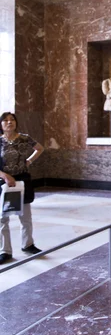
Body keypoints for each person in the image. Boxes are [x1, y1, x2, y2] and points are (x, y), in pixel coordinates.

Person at [0, 112, 44, 264]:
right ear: (1, 124)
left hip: (21, 181)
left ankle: (28, 245)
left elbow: (40, 148)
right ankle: (5, 251)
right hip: (4, 183)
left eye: (12, 120)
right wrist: (5, 176)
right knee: (2, 218)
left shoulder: (24, 138)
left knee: (25, 216)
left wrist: (29, 161)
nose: (9, 122)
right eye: (5, 120)